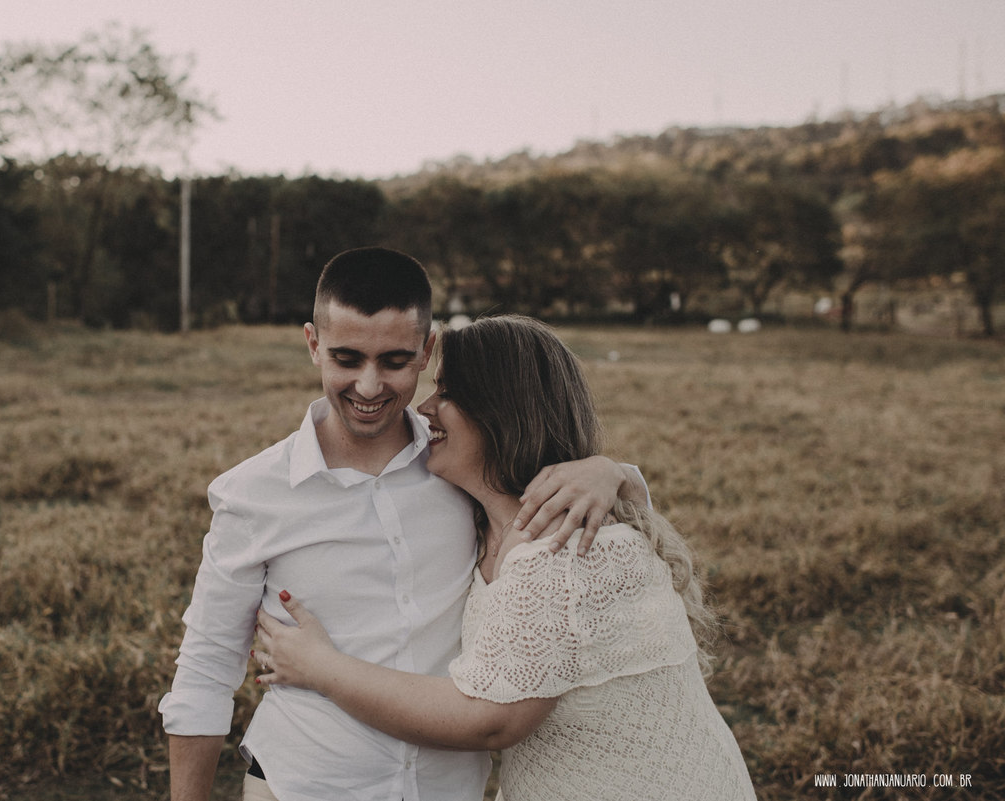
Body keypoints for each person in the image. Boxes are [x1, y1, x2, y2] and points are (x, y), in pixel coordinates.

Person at [160, 249, 648, 801]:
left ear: (428, 351)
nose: (369, 387)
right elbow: (205, 672)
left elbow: (542, 482)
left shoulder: (461, 459)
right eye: (347, 359)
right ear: (313, 344)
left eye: (394, 362)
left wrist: (611, 471)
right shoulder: (252, 494)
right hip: (304, 785)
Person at [255, 315, 757, 801]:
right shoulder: (482, 528)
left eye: (447, 393)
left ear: (503, 412)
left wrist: (321, 668)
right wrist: (612, 471)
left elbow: (489, 719)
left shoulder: (569, 549)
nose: (426, 408)